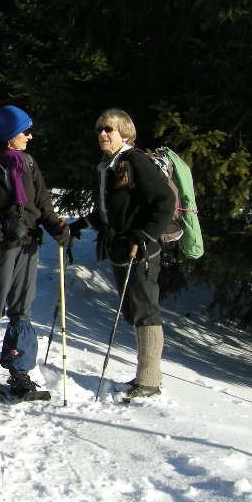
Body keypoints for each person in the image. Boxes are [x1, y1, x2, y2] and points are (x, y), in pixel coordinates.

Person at [0, 105, 71, 401]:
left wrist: (56, 226)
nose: (30, 136)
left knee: (22, 308)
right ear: (10, 135)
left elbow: (43, 203)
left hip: (27, 244)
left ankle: (19, 372)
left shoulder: (28, 163)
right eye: (25, 131)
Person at [68, 109, 174, 400]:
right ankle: (145, 376)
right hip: (121, 247)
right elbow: (112, 211)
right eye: (99, 130)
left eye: (109, 129)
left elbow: (164, 201)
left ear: (124, 133)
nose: (102, 134)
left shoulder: (135, 161)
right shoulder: (110, 165)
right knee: (133, 310)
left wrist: (145, 233)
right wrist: (82, 223)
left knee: (144, 309)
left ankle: (149, 380)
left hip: (140, 249)